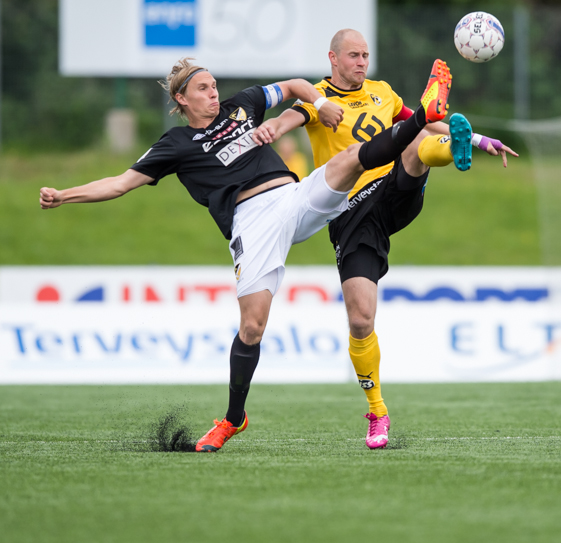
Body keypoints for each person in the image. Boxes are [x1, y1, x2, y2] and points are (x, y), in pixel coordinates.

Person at [39, 56, 453, 453]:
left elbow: (293, 86)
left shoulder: (241, 107)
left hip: (292, 197)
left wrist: (321, 102)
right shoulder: (177, 143)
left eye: (214, 85)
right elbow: (119, 183)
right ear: (182, 99)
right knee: (252, 328)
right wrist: (64, 195)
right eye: (203, 88)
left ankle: (421, 116)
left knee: (348, 160)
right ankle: (234, 417)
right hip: (251, 225)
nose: (214, 93)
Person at [253, 29, 518, 449]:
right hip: (349, 214)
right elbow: (293, 117)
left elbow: (428, 119)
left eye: (365, 55)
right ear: (333, 59)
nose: (361, 62)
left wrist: (482, 139)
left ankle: (454, 151)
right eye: (353, 55)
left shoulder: (383, 92)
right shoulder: (319, 98)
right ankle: (377, 411)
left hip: (393, 190)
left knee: (416, 137)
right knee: (361, 319)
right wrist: (274, 125)